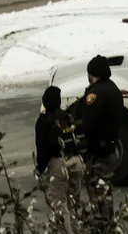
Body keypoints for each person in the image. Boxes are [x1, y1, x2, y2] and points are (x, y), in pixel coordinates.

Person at [76, 55, 124, 227]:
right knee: (105, 187)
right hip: (112, 148)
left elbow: (88, 123)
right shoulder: (114, 89)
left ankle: (103, 224)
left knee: (98, 188)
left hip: (100, 151)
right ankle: (108, 221)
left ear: (92, 74)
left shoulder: (95, 93)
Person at [35, 86, 84, 234]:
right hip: (76, 161)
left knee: (60, 203)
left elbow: (41, 147)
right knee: (74, 202)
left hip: (58, 163)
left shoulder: (43, 121)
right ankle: (77, 230)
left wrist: (40, 168)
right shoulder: (67, 117)